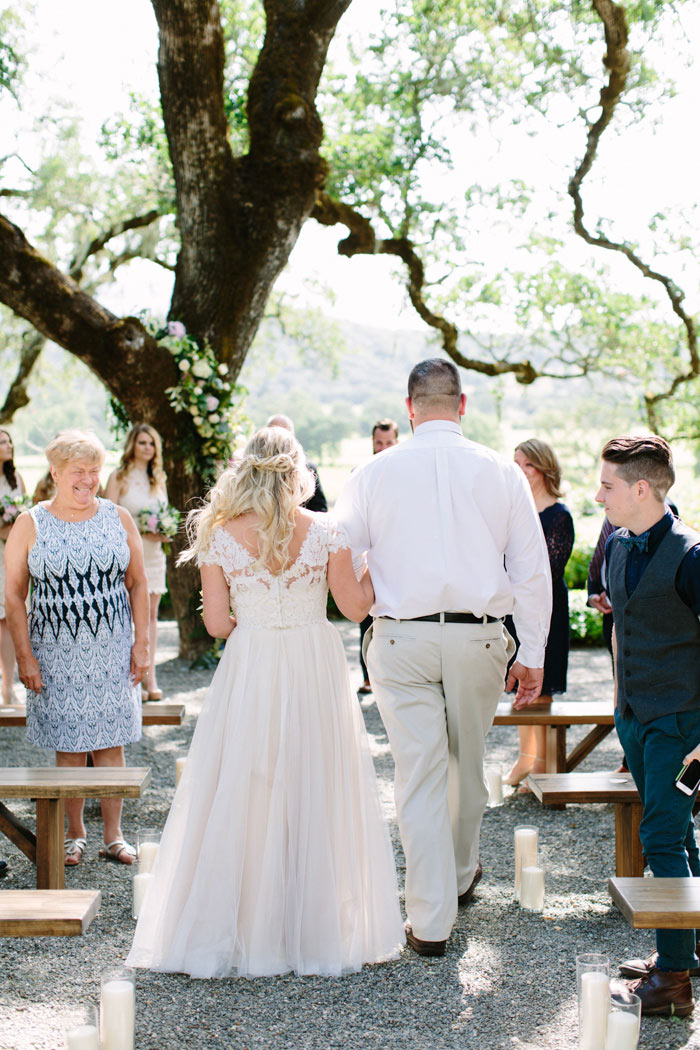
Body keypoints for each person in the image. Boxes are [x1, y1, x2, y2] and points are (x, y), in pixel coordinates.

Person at [127, 426, 404, 977]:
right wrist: (374, 569)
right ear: (298, 470)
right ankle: (314, 924)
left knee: (248, 783)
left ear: (245, 468)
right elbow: (354, 610)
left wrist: (254, 615)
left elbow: (216, 624)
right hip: (313, 661)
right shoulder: (327, 530)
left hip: (251, 663)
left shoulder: (220, 533)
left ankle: (252, 923)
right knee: (317, 778)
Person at [335, 359, 551, 957]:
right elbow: (532, 573)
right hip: (479, 638)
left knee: (420, 771)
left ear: (409, 407)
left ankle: (430, 919)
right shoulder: (502, 473)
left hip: (401, 638)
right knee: (467, 764)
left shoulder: (373, 473)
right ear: (461, 404)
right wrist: (531, 653)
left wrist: (367, 595)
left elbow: (340, 550)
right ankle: (457, 878)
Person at [4, 429, 149, 867]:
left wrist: (142, 644)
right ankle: (73, 834)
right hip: (54, 654)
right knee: (68, 744)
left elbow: (139, 581)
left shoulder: (118, 517)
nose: (88, 480)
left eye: (94, 471)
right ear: (55, 472)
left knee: (111, 742)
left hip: (112, 650)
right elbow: (13, 594)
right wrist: (24, 656)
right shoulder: (30, 522)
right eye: (78, 472)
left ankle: (114, 835)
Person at [596, 435, 700, 1017]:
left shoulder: (691, 555)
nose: (598, 495)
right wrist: (618, 704)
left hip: (682, 724)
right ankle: (689, 946)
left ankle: (674, 981)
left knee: (659, 836)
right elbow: (620, 627)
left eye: (607, 485)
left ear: (641, 488)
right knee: (677, 834)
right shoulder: (617, 544)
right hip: (635, 717)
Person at [504, 439, 575, 789]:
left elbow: (548, 568)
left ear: (544, 469)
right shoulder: (515, 511)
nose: (519, 469)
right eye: (515, 462)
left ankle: (543, 765)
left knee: (541, 688)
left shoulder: (559, 515)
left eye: (527, 464)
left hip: (549, 610)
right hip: (516, 608)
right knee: (521, 686)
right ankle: (525, 759)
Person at [106, 424, 169, 701]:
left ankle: (149, 678)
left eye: (151, 443)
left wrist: (164, 530)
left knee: (151, 618)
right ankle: (127, 678)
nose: (147, 448)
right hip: (127, 553)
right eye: (142, 442)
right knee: (129, 617)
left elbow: (166, 514)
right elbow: (107, 517)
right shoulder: (118, 477)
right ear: (132, 444)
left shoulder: (159, 478)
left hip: (154, 554)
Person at [358, 418, 400, 695]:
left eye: (388, 442)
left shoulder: (405, 471)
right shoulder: (361, 473)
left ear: (396, 442)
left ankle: (395, 675)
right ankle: (368, 677)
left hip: (398, 556)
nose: (383, 447)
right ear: (372, 442)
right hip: (369, 554)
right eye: (379, 442)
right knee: (366, 614)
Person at [0, 429, 26, 704]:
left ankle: (8, 685)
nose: (8, 445)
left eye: (9, 440)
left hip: (11, 555)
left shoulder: (16, 478)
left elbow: (26, 515)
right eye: (2, 442)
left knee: (8, 618)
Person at [265, 413, 328, 512]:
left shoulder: (308, 468)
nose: (279, 438)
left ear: (292, 436)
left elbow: (320, 508)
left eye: (284, 433)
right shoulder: (255, 467)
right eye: (274, 433)